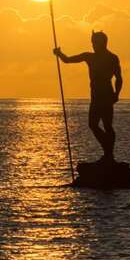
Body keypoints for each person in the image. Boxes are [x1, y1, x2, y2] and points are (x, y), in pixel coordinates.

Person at [53, 30, 122, 163]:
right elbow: (68, 60)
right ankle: (108, 152)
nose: (93, 45)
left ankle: (109, 154)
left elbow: (119, 78)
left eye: (95, 42)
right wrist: (59, 54)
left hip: (106, 95)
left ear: (103, 43)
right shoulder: (89, 57)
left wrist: (116, 94)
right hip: (96, 96)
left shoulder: (112, 58)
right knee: (93, 124)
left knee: (107, 125)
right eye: (92, 42)